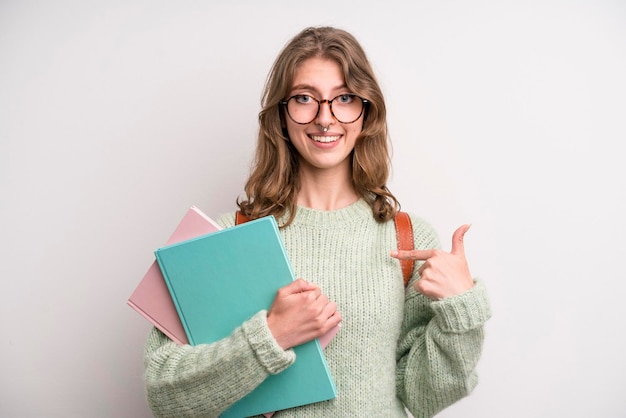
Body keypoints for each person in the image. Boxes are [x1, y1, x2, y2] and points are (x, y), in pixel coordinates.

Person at [144, 26, 491, 418]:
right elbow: (165, 396)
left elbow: (425, 396)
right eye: (305, 98)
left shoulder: (407, 240)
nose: (325, 119)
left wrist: (462, 309)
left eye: (344, 98)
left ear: (366, 112)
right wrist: (270, 337)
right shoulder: (225, 237)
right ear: (281, 114)